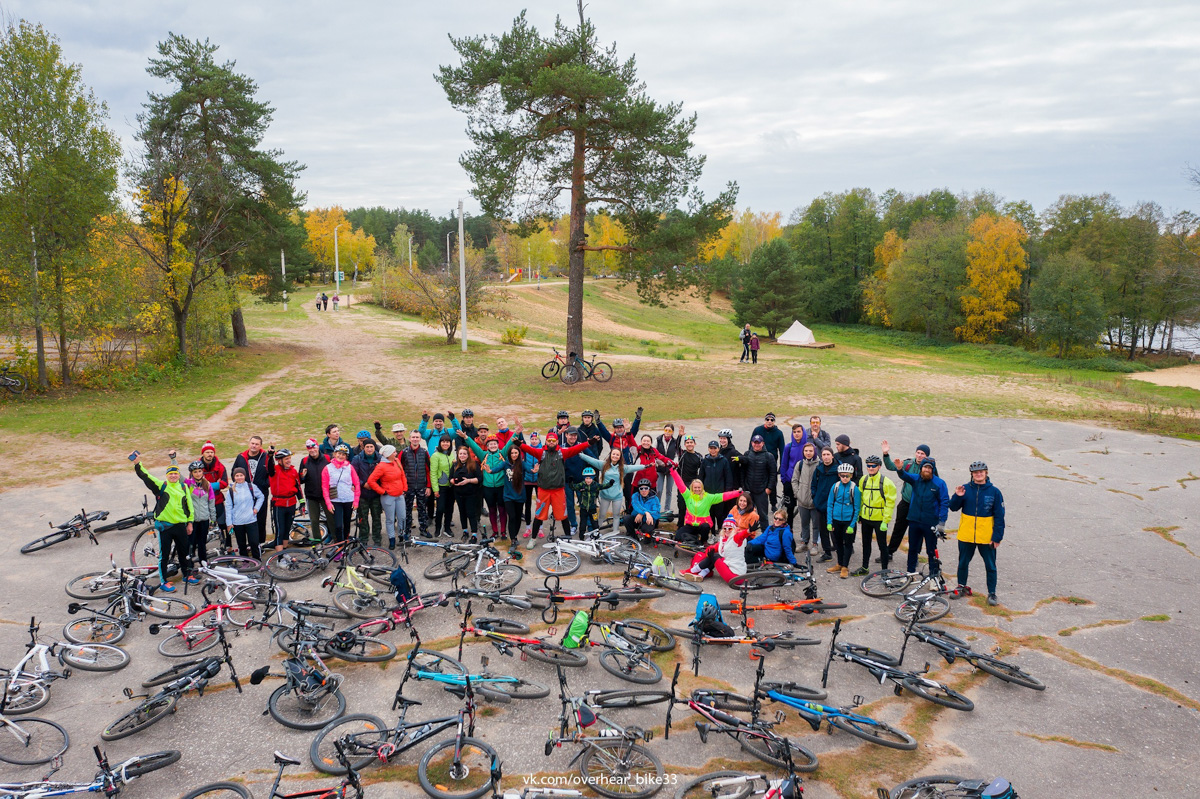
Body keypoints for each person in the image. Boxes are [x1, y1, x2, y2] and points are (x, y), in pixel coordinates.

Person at [514, 421, 591, 547]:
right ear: (546, 442)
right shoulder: (541, 453)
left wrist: (588, 443)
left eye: (553, 441)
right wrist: (519, 444)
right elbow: (528, 449)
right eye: (549, 441)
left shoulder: (562, 453)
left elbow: (576, 449)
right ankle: (533, 539)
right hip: (543, 490)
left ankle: (568, 539)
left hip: (558, 490)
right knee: (539, 516)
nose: (551, 443)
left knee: (563, 516)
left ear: (557, 442)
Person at [883, 440, 949, 580]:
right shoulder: (916, 479)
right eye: (925, 467)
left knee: (931, 551)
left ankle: (933, 577)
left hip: (930, 522)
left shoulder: (939, 483)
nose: (926, 470)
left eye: (929, 468)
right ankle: (910, 574)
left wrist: (941, 523)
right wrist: (900, 469)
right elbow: (904, 476)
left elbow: (944, 502)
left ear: (933, 469)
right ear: (921, 468)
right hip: (914, 520)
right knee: (912, 549)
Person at [948, 461, 1005, 606]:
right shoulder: (965, 489)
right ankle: (961, 586)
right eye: (975, 472)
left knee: (990, 566)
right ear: (972, 474)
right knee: (963, 563)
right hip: (966, 535)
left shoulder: (995, 492)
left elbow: (999, 517)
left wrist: (997, 537)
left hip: (986, 537)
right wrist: (957, 496)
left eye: (981, 472)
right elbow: (953, 507)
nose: (978, 474)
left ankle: (992, 593)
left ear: (986, 473)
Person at [133, 455, 195, 590]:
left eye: (175, 473)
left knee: (184, 552)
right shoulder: (162, 486)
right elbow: (146, 476)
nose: (173, 476)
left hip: (180, 525)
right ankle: (163, 582)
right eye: (170, 474)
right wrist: (138, 463)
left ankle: (186, 575)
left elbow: (189, 506)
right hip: (165, 526)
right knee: (164, 555)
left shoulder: (184, 487)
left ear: (178, 475)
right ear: (167, 475)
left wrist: (190, 522)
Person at [664, 460, 742, 547]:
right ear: (692, 488)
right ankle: (695, 539)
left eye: (699, 487)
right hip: (690, 525)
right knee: (678, 536)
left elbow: (723, 496)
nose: (697, 489)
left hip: (702, 526)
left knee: (705, 527)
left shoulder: (708, 497)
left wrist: (738, 493)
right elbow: (679, 483)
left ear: (702, 488)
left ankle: (703, 541)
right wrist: (672, 470)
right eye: (695, 487)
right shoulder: (688, 495)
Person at [883, 443, 933, 563]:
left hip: (919, 506)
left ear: (926, 456)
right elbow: (891, 466)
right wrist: (886, 454)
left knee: (918, 532)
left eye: (922, 454)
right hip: (905, 502)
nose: (919, 455)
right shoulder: (908, 463)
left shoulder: (929, 468)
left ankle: (914, 556)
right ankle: (889, 552)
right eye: (918, 452)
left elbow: (935, 484)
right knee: (898, 528)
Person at [462, 431, 508, 539]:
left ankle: (503, 531)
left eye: (494, 444)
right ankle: (495, 531)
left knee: (502, 510)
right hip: (488, 487)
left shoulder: (502, 454)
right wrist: (466, 437)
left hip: (501, 486)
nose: (493, 446)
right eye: (490, 444)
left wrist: (517, 433)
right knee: (492, 509)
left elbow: (510, 443)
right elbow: (474, 446)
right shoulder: (483, 455)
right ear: (487, 446)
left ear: (498, 445)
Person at [856, 455, 897, 575]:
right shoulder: (863, 480)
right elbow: (860, 499)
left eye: (873, 466)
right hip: (866, 518)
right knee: (866, 544)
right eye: (868, 466)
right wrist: (859, 515)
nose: (870, 468)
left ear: (879, 467)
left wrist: (886, 521)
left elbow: (890, 503)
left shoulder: (887, 483)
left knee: (882, 546)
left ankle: (884, 571)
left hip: (880, 519)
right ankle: (864, 567)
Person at [684, 518, 752, 583]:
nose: (727, 530)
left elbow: (741, 536)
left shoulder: (735, 538)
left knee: (714, 556)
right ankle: (701, 574)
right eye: (725, 528)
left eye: (730, 528)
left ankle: (692, 570)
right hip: (732, 570)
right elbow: (714, 548)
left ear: (734, 529)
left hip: (735, 576)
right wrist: (708, 552)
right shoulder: (725, 539)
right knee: (713, 555)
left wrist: (748, 531)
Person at [234, 436, 273, 547]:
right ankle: (247, 543)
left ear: (260, 446)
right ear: (249, 443)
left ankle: (260, 543)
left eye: (256, 444)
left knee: (260, 518)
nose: (254, 446)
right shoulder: (241, 457)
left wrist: (265, 484)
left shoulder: (265, 456)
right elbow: (234, 471)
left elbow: (271, 472)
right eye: (252, 443)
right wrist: (239, 485)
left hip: (261, 491)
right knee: (246, 517)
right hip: (245, 493)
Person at [367, 444, 407, 549]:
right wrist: (382, 491)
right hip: (388, 496)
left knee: (402, 517)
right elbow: (371, 481)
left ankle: (402, 536)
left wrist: (404, 488)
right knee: (390, 519)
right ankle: (392, 539)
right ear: (388, 454)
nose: (396, 453)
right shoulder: (381, 466)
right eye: (394, 452)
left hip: (399, 494)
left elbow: (402, 475)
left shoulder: (397, 461)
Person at [826, 463, 861, 579]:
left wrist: (852, 524)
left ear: (851, 475)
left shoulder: (854, 489)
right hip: (836, 519)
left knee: (848, 544)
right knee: (838, 543)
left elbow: (857, 508)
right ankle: (839, 564)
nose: (845, 478)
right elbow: (830, 504)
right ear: (839, 475)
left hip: (848, 520)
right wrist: (829, 522)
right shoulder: (835, 486)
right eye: (842, 475)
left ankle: (845, 566)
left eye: (847, 476)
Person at [579, 445, 624, 536]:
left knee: (616, 515)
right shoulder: (603, 465)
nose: (615, 456)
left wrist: (646, 466)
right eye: (613, 454)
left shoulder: (622, 468)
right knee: (601, 515)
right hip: (605, 495)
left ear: (620, 457)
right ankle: (596, 533)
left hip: (617, 496)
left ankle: (614, 534)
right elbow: (591, 460)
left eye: (617, 455)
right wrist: (579, 454)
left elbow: (635, 467)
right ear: (610, 455)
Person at [322, 444, 360, 544]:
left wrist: (356, 501)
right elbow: (325, 487)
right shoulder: (327, 468)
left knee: (347, 524)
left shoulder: (350, 467)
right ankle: (339, 545)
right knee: (338, 525)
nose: (341, 456)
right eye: (339, 453)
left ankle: (346, 543)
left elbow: (357, 483)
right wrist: (328, 503)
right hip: (335, 500)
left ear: (346, 456)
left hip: (348, 499)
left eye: (343, 454)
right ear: (334, 454)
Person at [227, 465, 265, 560]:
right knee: (241, 544)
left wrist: (256, 508)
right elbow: (228, 507)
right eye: (237, 476)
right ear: (234, 477)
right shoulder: (231, 490)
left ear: (245, 476)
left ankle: (257, 561)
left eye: (241, 475)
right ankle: (245, 562)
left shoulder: (251, 487)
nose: (239, 477)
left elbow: (261, 497)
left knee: (254, 543)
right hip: (238, 522)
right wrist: (229, 523)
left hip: (251, 520)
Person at [267, 449, 302, 551]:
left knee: (287, 529)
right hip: (279, 504)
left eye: (289, 458)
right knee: (280, 531)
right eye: (286, 459)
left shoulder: (293, 471)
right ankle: (280, 557)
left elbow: (298, 488)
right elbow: (269, 466)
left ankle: (284, 552)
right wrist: (270, 456)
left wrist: (302, 502)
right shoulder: (274, 470)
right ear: (279, 460)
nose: (289, 460)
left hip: (291, 504)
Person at [750, 413, 786, 512]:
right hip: (758, 459)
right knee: (757, 481)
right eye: (767, 419)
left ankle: (773, 504)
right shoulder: (757, 430)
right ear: (765, 420)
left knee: (772, 483)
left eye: (772, 420)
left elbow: (782, 450)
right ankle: (754, 503)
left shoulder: (779, 433)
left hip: (771, 461)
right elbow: (751, 445)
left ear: (774, 421)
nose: (769, 421)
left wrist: (782, 465)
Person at [809, 447, 840, 562]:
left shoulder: (838, 469)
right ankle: (827, 553)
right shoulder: (819, 469)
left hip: (835, 506)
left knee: (835, 530)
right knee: (823, 531)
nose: (826, 457)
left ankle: (840, 552)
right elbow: (813, 485)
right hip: (821, 505)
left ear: (832, 455)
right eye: (824, 455)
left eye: (828, 454)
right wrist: (815, 498)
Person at [198, 441, 230, 550]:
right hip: (201, 501)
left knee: (223, 524)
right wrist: (216, 484)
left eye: (211, 452)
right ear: (203, 453)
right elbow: (193, 484)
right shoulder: (197, 466)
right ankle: (201, 548)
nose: (210, 454)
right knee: (202, 526)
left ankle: (228, 546)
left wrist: (207, 485)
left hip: (217, 499)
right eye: (207, 452)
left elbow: (225, 483)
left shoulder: (220, 466)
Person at [184, 460, 216, 566]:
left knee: (202, 543)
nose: (198, 474)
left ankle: (204, 563)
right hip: (192, 520)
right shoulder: (188, 484)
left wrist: (213, 519)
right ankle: (189, 566)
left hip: (204, 519)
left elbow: (211, 502)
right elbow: (178, 476)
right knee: (190, 543)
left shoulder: (207, 485)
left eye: (199, 471)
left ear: (202, 472)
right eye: (195, 472)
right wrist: (173, 459)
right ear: (191, 473)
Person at [400, 431, 432, 537]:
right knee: (407, 510)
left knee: (422, 509)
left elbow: (428, 470)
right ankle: (406, 531)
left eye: (417, 437)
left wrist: (428, 486)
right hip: (408, 486)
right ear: (409, 439)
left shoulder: (424, 452)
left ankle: (424, 529)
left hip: (422, 485)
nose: (415, 439)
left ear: (420, 439)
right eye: (413, 437)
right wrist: (402, 487)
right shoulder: (404, 452)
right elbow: (399, 470)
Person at [351, 439, 383, 546]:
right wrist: (362, 483)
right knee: (363, 518)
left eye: (371, 447)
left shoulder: (380, 459)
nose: (369, 449)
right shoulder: (357, 459)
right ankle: (363, 538)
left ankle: (377, 538)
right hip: (362, 494)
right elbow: (353, 474)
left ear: (374, 447)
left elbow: (383, 474)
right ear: (363, 448)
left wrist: (376, 485)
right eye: (367, 447)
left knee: (376, 517)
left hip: (376, 494)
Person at [790, 441, 820, 555]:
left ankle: (815, 544)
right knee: (804, 524)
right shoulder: (800, 464)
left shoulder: (819, 465)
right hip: (802, 501)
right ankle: (804, 543)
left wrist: (817, 498)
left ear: (814, 451)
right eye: (806, 451)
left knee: (816, 525)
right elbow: (794, 480)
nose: (808, 453)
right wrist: (797, 494)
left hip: (815, 502)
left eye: (810, 451)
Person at [299, 439, 331, 543]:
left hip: (326, 495)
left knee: (331, 518)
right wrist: (302, 476)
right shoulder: (304, 461)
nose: (312, 450)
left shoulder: (327, 458)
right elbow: (300, 480)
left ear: (318, 447)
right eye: (309, 448)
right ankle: (317, 541)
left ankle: (335, 539)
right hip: (311, 495)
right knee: (314, 520)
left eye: (314, 447)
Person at [700, 438, 736, 529]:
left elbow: (728, 477)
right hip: (708, 494)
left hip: (720, 494)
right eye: (711, 448)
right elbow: (701, 477)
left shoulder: (724, 461)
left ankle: (720, 530)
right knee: (710, 514)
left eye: (715, 448)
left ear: (718, 449)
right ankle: (712, 532)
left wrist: (727, 491)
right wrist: (701, 490)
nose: (713, 450)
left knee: (720, 515)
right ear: (708, 449)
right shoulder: (705, 461)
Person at [741, 434, 776, 523]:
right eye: (755, 443)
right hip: (749, 491)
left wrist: (769, 489)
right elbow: (742, 472)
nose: (756, 445)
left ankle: (765, 531)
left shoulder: (769, 456)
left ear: (763, 443)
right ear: (752, 443)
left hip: (761, 492)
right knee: (747, 516)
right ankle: (749, 532)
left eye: (758, 443)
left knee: (763, 516)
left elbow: (773, 474)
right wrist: (743, 487)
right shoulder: (747, 454)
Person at [449, 445, 481, 541]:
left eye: (464, 454)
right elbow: (450, 477)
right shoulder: (455, 465)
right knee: (462, 512)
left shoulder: (474, 464)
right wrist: (453, 481)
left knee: (471, 513)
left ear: (468, 455)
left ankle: (474, 534)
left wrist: (468, 481)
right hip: (458, 493)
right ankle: (465, 531)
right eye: (460, 454)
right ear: (458, 455)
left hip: (471, 493)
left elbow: (479, 479)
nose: (462, 455)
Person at [500, 443, 527, 554]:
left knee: (518, 517)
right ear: (509, 454)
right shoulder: (505, 464)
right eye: (512, 453)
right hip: (508, 496)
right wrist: (489, 470)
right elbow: (495, 469)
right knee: (512, 517)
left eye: (516, 453)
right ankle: (513, 540)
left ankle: (515, 536)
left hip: (520, 495)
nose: (514, 455)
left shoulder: (522, 464)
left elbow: (530, 470)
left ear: (519, 454)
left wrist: (535, 470)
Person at [430, 434, 455, 538]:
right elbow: (433, 473)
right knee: (440, 509)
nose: (445, 444)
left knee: (450, 508)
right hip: (441, 486)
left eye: (447, 442)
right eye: (443, 442)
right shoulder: (435, 456)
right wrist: (435, 489)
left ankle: (447, 528)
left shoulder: (451, 454)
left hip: (451, 486)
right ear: (440, 443)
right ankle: (438, 527)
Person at [574, 467, 612, 536]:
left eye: (590, 478)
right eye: (586, 478)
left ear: (593, 478)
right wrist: (570, 482)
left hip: (593, 508)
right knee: (582, 524)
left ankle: (596, 535)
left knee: (595, 523)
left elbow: (603, 486)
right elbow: (574, 487)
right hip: (583, 508)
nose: (588, 480)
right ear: (584, 478)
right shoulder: (582, 484)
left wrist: (610, 484)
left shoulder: (595, 485)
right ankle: (581, 536)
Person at [675, 434, 703, 524]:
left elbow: (703, 471)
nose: (689, 444)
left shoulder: (699, 456)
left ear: (695, 444)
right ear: (685, 444)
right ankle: (680, 525)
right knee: (681, 506)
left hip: (693, 485)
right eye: (687, 443)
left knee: (693, 506)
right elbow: (676, 445)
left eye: (691, 442)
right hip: (682, 484)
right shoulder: (682, 454)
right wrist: (679, 436)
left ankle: (692, 524)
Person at [655, 423, 680, 519]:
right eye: (666, 430)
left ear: (672, 432)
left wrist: (674, 463)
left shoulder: (675, 441)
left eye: (670, 431)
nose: (667, 432)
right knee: (659, 490)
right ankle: (657, 508)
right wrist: (660, 462)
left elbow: (677, 454)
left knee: (669, 490)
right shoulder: (658, 440)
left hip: (671, 469)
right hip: (660, 468)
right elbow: (654, 452)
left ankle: (667, 509)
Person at [522, 431, 542, 535]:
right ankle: (528, 526)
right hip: (527, 480)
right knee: (528, 504)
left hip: (539, 481)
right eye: (532, 439)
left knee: (540, 504)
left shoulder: (543, 450)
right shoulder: (527, 450)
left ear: (539, 440)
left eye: (536, 439)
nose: (534, 441)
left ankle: (540, 527)